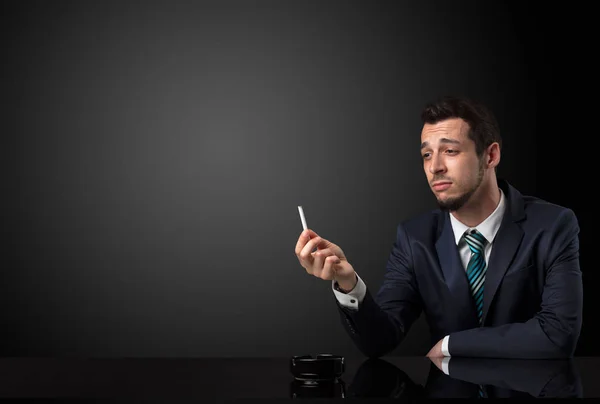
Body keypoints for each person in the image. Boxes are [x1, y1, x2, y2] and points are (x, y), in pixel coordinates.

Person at [294, 95, 582, 359]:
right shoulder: (414, 237)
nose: (435, 167)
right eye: (427, 155)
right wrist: (348, 282)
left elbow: (558, 334)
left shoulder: (553, 225)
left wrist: (451, 345)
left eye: (450, 151)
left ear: (491, 155)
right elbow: (380, 341)